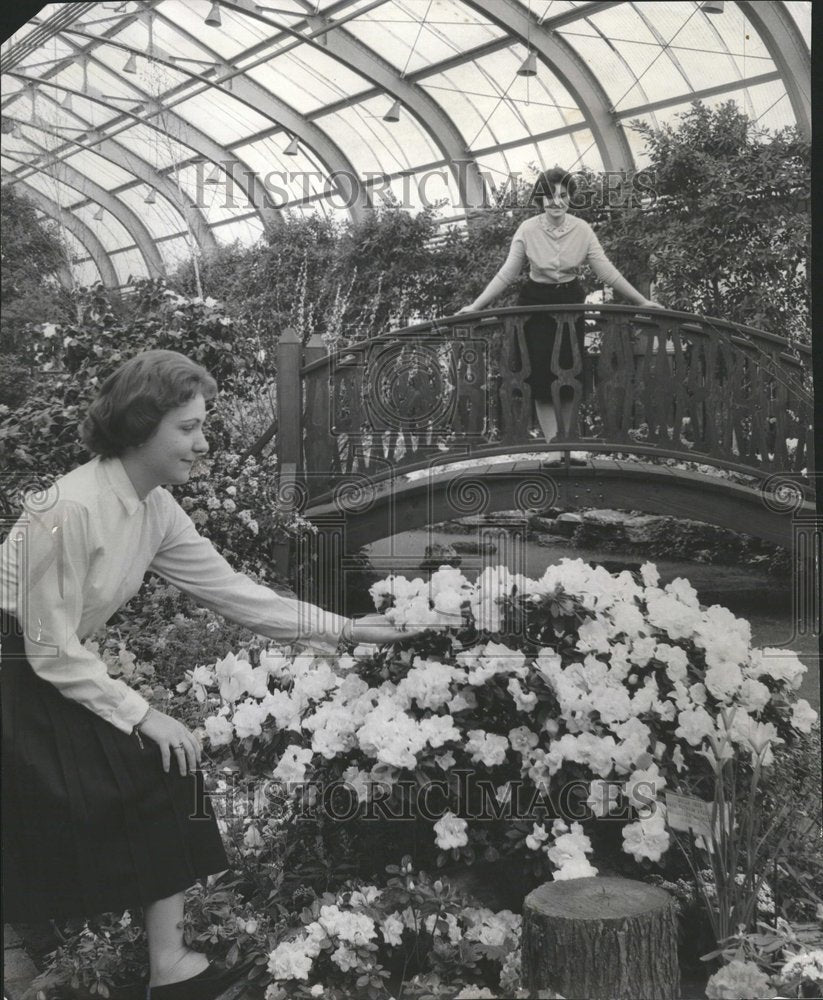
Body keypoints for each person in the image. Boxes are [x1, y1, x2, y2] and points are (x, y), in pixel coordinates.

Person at [0, 350, 410, 1000]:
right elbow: (45, 646)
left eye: (202, 425)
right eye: (188, 428)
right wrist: (143, 711)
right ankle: (47, 959)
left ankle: (171, 969)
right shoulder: (66, 508)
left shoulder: (155, 509)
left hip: (48, 664)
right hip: (16, 665)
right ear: (140, 427)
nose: (203, 441)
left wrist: (352, 630)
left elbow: (239, 595)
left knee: (162, 768)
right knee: (51, 805)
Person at [458, 167, 662, 443]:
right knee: (541, 377)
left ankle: (567, 441)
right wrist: (476, 306)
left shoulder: (582, 229)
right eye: (549, 196)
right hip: (536, 306)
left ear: (570, 198)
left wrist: (642, 301)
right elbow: (507, 273)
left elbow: (607, 271)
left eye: (563, 195)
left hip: (569, 304)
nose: (557, 202)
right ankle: (554, 445)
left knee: (570, 372)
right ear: (540, 200)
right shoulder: (527, 230)